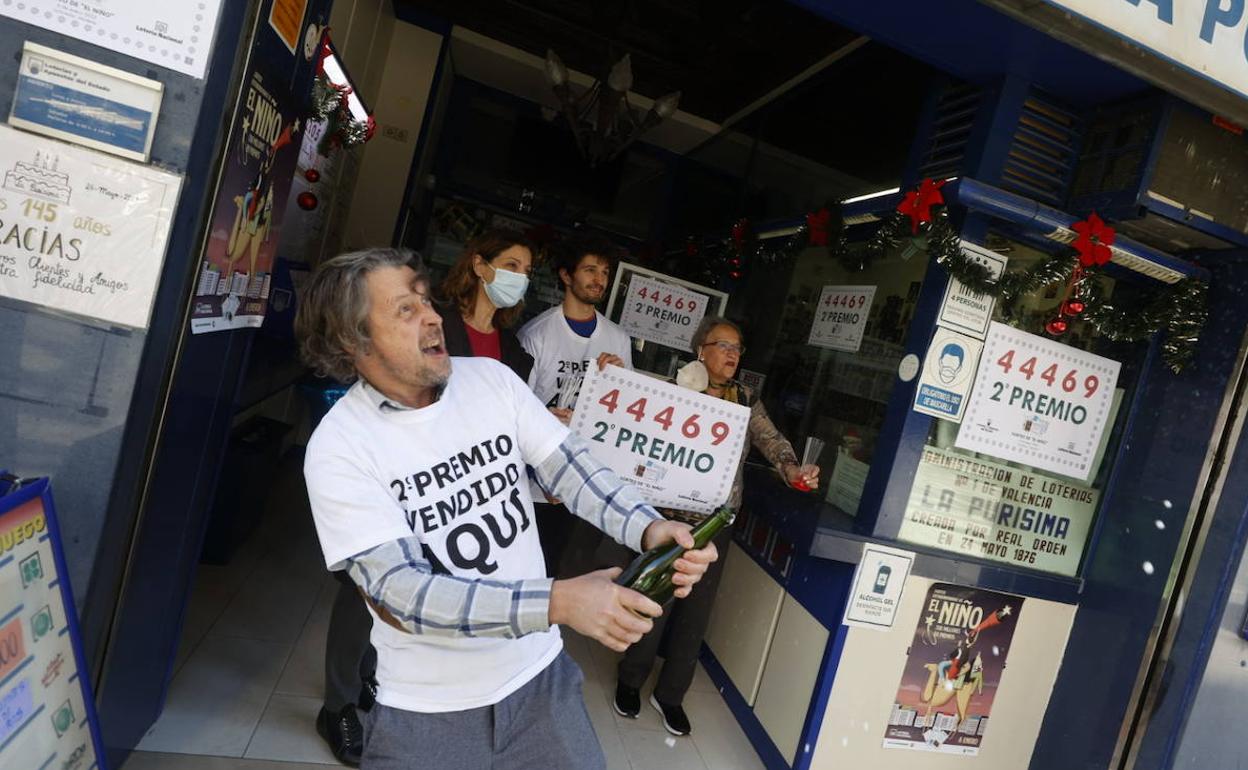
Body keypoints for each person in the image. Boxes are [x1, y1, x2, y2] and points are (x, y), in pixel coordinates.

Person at [295, 247, 718, 769]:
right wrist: (558, 603)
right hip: (426, 716)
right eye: (404, 309)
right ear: (350, 339)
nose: (431, 316)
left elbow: (572, 469)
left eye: (425, 300)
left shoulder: (491, 382)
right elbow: (400, 595)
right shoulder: (340, 447)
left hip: (541, 684)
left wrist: (649, 527)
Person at [604, 316, 820, 737]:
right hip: (667, 522)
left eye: (738, 348)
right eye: (723, 345)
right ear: (700, 348)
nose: (732, 355)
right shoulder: (675, 388)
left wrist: (793, 469)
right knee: (653, 602)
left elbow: (771, 441)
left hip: (715, 525)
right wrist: (614, 375)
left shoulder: (744, 399)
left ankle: (670, 695)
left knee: (695, 614)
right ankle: (630, 680)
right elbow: (633, 414)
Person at [518, 235, 634, 574]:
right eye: (590, 270)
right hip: (539, 481)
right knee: (529, 568)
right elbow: (517, 411)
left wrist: (617, 381)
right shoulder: (536, 334)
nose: (599, 279)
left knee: (566, 572)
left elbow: (625, 413)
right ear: (567, 276)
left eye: (605, 272)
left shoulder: (618, 339)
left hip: (587, 477)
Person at [436, 229, 536, 380]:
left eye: (527, 272)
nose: (521, 277)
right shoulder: (433, 321)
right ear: (479, 265)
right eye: (512, 265)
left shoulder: (510, 346)